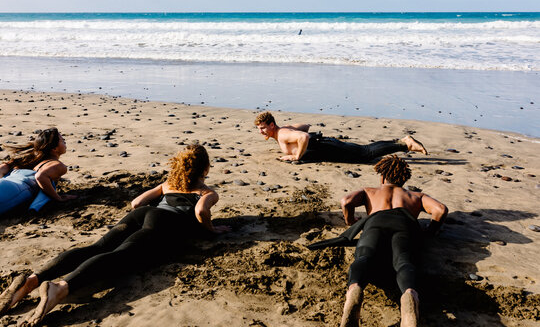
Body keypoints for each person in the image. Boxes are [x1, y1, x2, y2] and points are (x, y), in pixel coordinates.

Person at [0, 144, 230, 326]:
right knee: (122, 254)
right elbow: (201, 211)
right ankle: (60, 288)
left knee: (97, 247)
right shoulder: (207, 192)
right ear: (205, 168)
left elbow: (136, 202)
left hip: (142, 213)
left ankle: (31, 281)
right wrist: (211, 229)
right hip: (163, 223)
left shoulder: (168, 184)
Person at [337, 155, 448, 327]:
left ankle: (354, 290)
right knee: (404, 262)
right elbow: (441, 210)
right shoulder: (416, 196)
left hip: (375, 224)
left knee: (364, 257)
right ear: (404, 179)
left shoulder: (369, 191)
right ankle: (410, 295)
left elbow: (346, 201)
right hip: (404, 226)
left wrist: (351, 221)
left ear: (382, 176)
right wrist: (430, 231)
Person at [254, 112, 427, 163]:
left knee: (365, 153)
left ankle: (405, 144)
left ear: (271, 125)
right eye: (259, 129)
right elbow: (306, 126)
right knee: (364, 152)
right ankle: (402, 143)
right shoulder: (283, 130)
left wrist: (296, 156)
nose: (261, 132)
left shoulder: (282, 133)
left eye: (263, 128)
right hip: (325, 145)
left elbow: (304, 136)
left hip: (326, 147)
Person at [0, 127, 76, 215]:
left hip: (6, 182)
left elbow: (2, 167)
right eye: (62, 140)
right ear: (54, 149)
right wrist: (58, 198)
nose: (65, 142)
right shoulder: (58, 165)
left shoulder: (30, 160)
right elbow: (40, 177)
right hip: (16, 189)